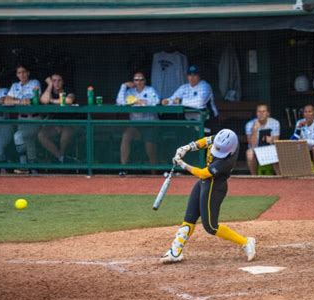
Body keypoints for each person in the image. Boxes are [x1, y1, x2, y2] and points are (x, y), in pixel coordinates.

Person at [160, 129, 256, 263]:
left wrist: (182, 164)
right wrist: (187, 148)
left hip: (215, 187)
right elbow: (206, 141)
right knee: (190, 217)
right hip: (204, 183)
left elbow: (202, 173)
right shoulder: (222, 138)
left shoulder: (225, 162)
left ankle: (246, 242)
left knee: (210, 226)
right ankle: (175, 252)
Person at [116, 71, 160, 176]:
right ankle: (123, 169)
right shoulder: (130, 91)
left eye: (141, 79)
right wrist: (123, 86)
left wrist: (145, 102)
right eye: (136, 80)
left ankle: (155, 172)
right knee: (126, 136)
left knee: (150, 146)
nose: (139, 82)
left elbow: (157, 101)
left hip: (150, 124)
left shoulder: (150, 90)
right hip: (135, 125)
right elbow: (120, 101)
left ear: (145, 81)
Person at [4, 65, 42, 174]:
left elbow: (35, 99)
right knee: (28, 143)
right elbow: (6, 101)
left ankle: (24, 165)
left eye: (24, 72)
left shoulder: (34, 83)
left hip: (34, 118)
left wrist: (17, 100)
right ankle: (33, 168)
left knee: (19, 136)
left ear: (28, 73)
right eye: (19, 73)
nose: (22, 75)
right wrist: (19, 101)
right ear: (17, 75)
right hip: (22, 118)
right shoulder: (15, 85)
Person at [38, 73, 78, 164]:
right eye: (54, 81)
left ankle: (62, 158)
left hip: (71, 123)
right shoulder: (49, 92)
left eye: (59, 80)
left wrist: (52, 101)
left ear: (63, 82)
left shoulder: (68, 90)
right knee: (41, 135)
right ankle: (61, 158)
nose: (57, 83)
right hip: (55, 124)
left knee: (65, 135)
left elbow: (69, 100)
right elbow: (44, 101)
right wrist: (50, 85)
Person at [290, 104, 314, 176]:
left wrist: (305, 141)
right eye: (305, 112)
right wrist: (298, 128)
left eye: (310, 112)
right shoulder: (300, 122)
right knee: (294, 149)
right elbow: (293, 140)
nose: (307, 114)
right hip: (306, 151)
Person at [245, 104, 280, 175]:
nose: (261, 114)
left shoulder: (275, 123)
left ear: (268, 113)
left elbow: (276, 141)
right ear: (256, 113)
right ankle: (254, 177)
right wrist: (254, 130)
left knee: (277, 151)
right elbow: (251, 144)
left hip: (270, 148)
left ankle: (279, 176)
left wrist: (271, 140)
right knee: (249, 153)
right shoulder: (249, 124)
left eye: (263, 111)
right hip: (256, 149)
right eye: (259, 111)